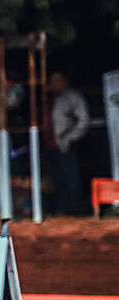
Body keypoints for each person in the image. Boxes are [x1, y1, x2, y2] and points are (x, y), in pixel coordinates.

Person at [47, 72, 89, 214]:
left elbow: (84, 120)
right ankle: (59, 209)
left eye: (58, 80)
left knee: (70, 178)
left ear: (65, 81)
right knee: (56, 179)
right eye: (52, 81)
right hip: (48, 145)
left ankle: (73, 210)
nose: (55, 84)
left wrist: (69, 137)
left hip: (65, 144)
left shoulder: (72, 97)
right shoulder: (46, 98)